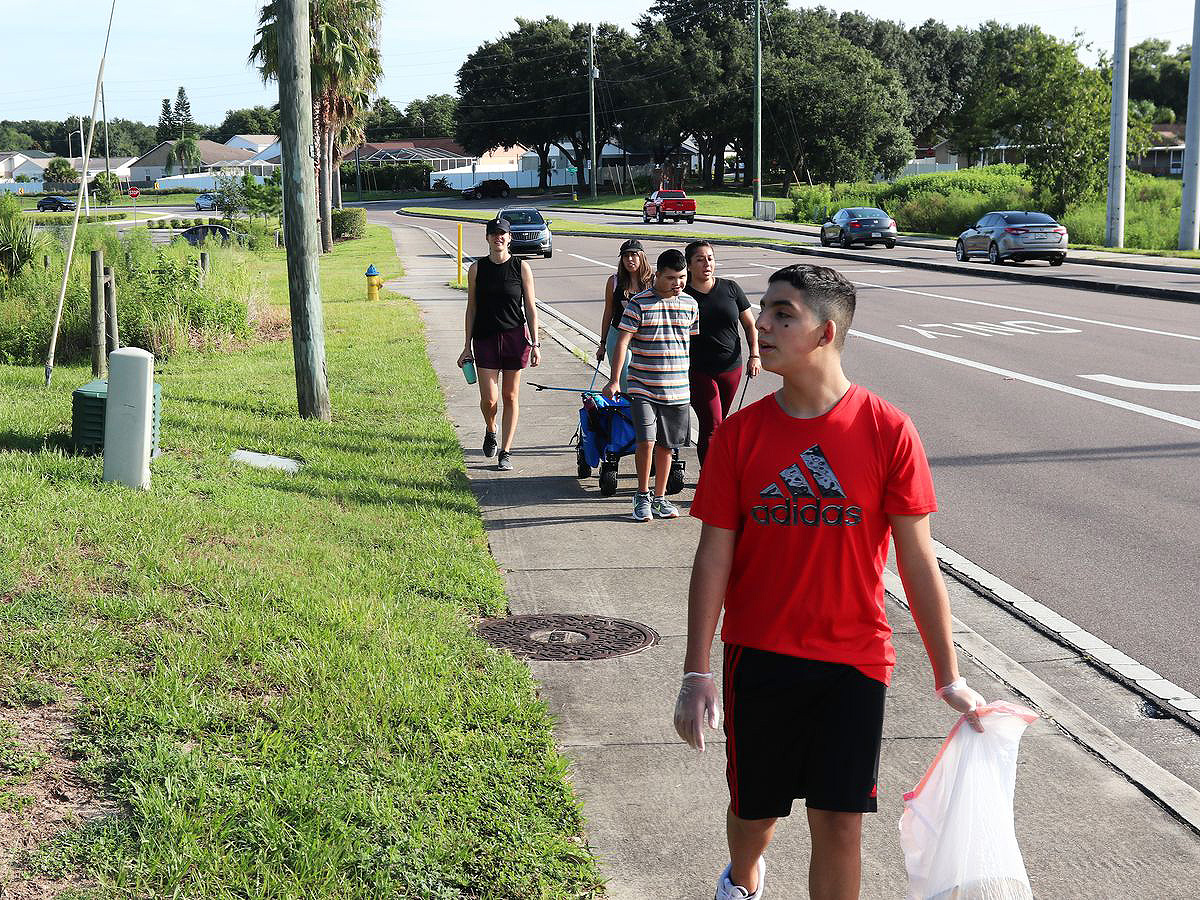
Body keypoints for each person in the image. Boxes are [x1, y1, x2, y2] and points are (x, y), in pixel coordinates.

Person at [673, 264, 985, 900]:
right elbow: (713, 558)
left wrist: (948, 674)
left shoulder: (887, 431)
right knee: (754, 816)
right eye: (763, 309)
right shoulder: (741, 436)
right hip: (759, 655)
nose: (760, 323)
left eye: (783, 314)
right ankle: (743, 876)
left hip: (854, 659)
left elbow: (919, 561)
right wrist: (694, 671)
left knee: (840, 821)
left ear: (825, 333)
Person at [603, 249, 698, 522]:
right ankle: (641, 495)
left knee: (668, 446)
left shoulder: (691, 304)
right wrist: (614, 379)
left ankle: (660, 498)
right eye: (671, 278)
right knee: (646, 441)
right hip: (643, 386)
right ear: (657, 275)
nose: (677, 283)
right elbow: (622, 342)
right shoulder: (638, 303)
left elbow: (689, 342)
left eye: (681, 278)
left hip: (678, 388)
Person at [457, 218, 541, 471]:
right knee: (490, 400)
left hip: (515, 337)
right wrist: (466, 346)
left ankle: (506, 451)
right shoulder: (477, 269)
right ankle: (491, 428)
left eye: (502, 234)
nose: (498, 238)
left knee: (510, 396)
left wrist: (535, 343)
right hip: (485, 339)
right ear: (487, 238)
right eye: (493, 234)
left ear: (509, 238)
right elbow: (471, 308)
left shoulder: (521, 267)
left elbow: (530, 307)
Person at [684, 240, 760, 466]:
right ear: (688, 266)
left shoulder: (731, 289)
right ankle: (710, 477)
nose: (706, 264)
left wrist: (754, 355)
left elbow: (749, 324)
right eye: (700, 259)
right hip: (698, 370)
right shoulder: (682, 295)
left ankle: (720, 470)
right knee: (712, 424)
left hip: (731, 368)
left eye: (710, 258)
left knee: (720, 423)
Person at [596, 238, 653, 393]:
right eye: (625, 256)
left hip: (644, 336)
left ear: (641, 256)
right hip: (618, 334)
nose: (629, 259)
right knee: (624, 378)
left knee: (644, 379)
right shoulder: (614, 281)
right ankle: (629, 412)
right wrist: (602, 343)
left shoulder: (653, 281)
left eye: (633, 255)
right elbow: (608, 312)